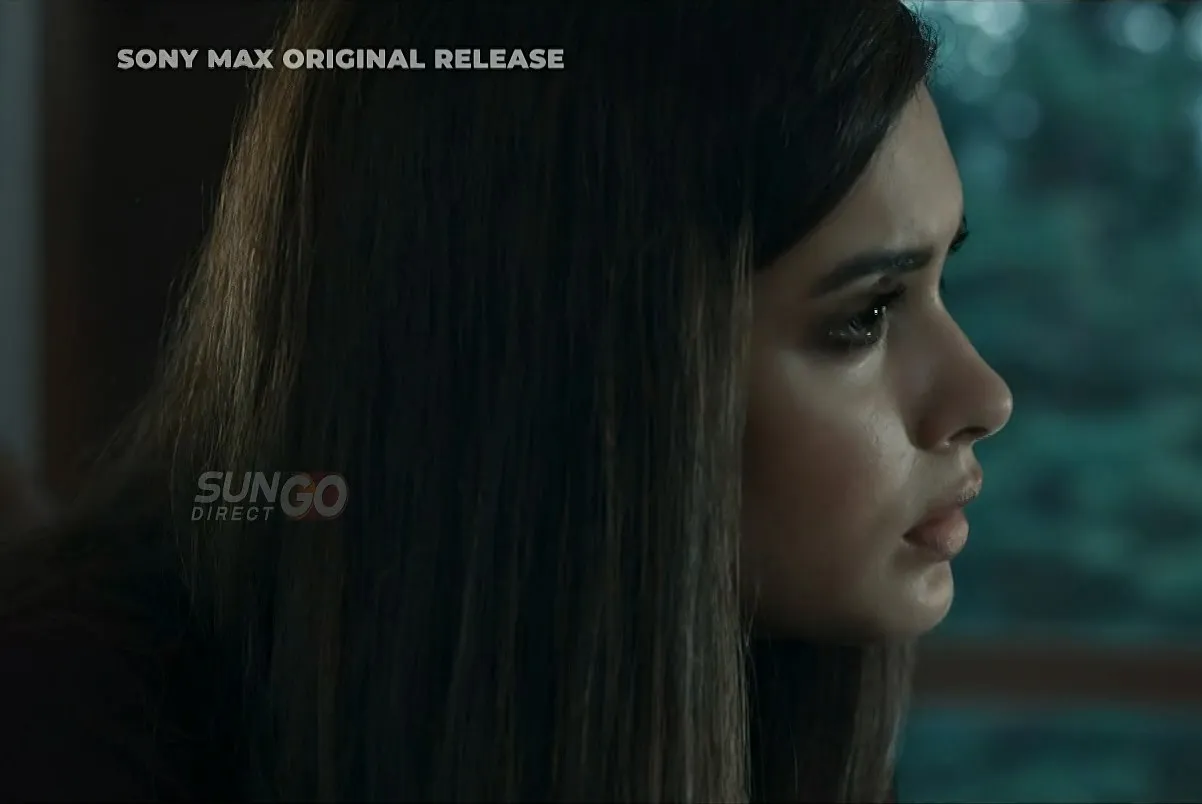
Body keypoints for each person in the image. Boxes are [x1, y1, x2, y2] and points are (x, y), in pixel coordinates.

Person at [0, 1, 1013, 800]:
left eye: (940, 279)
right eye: (866, 314)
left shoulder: (778, 703)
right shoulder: (73, 732)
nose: (984, 396)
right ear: (575, 361)